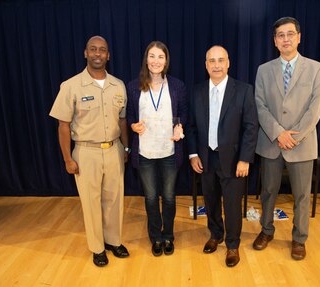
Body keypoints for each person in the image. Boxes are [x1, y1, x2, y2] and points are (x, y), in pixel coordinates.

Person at [49, 36, 130, 267]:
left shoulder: (119, 85)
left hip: (114, 149)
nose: (97, 53)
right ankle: (97, 248)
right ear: (85, 53)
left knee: (114, 200)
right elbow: (63, 125)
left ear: (108, 55)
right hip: (86, 153)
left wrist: (126, 147)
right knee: (91, 202)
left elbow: (123, 121)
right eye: (93, 49)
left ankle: (114, 241)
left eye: (102, 50)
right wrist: (67, 158)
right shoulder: (71, 85)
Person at [253, 17, 320, 260]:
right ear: (274, 41)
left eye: (290, 34)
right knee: (268, 191)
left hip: (301, 144)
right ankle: (266, 230)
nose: (285, 39)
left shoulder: (316, 69)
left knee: (303, 195)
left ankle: (299, 238)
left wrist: (294, 136)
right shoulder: (263, 70)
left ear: (299, 37)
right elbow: (260, 105)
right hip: (272, 142)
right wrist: (278, 133)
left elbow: (315, 109)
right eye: (280, 35)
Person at [187, 45, 258, 267]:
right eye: (212, 61)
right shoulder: (197, 91)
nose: (216, 65)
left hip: (234, 159)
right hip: (206, 158)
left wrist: (245, 158)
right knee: (210, 200)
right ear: (205, 65)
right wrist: (192, 154)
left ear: (228, 63)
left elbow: (251, 127)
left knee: (232, 205)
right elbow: (191, 126)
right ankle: (215, 234)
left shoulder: (244, 90)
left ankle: (233, 244)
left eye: (221, 60)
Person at [126, 41, 187, 257]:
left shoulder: (177, 86)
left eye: (160, 57)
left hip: (169, 151)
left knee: (169, 197)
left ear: (166, 60)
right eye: (152, 56)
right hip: (145, 153)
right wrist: (133, 125)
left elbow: (183, 113)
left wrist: (180, 127)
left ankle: (168, 236)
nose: (156, 61)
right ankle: (156, 237)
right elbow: (130, 117)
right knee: (151, 198)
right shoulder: (133, 86)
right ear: (146, 60)